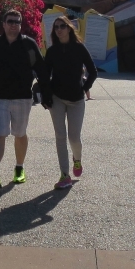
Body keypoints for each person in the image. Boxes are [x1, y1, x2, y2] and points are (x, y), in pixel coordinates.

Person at [0, 10, 47, 189]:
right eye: (10, 21)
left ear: (20, 25)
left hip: (22, 97)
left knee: (20, 134)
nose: (14, 24)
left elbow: (42, 70)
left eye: (17, 22)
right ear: (4, 24)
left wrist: (47, 94)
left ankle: (19, 168)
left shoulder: (29, 45)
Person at [43, 16, 97, 190]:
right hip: (57, 98)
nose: (59, 29)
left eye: (62, 26)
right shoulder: (52, 51)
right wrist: (46, 95)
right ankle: (64, 175)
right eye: (56, 27)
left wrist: (84, 88)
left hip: (76, 100)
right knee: (60, 136)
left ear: (69, 28)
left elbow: (93, 71)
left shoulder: (79, 48)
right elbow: (44, 76)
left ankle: (77, 159)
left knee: (74, 138)